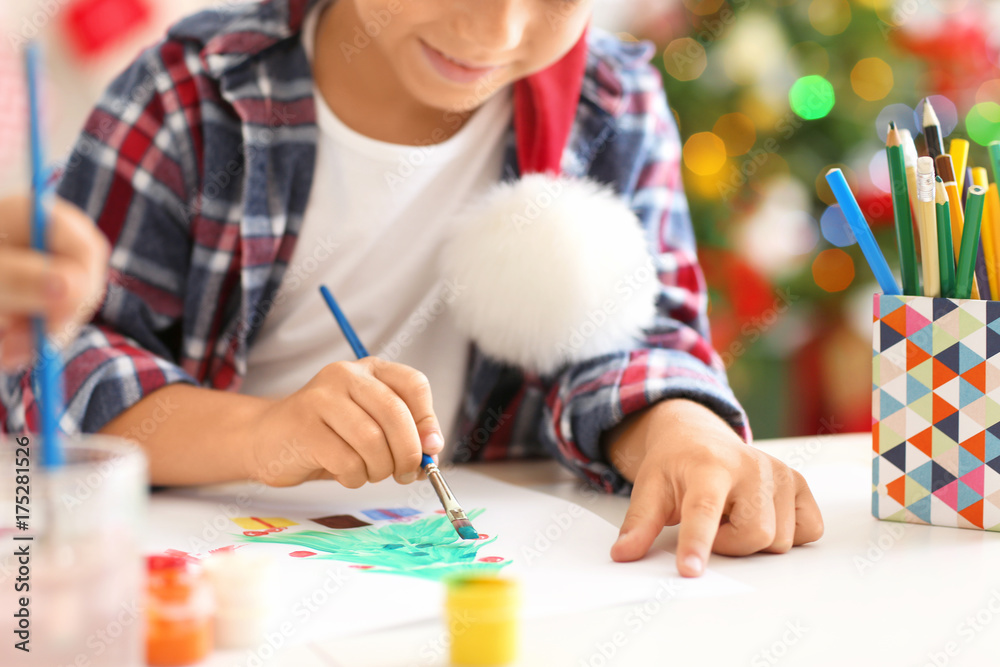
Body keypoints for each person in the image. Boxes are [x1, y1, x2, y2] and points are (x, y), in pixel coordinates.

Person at [0, 0, 823, 577]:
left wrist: (683, 432)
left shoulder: (610, 103)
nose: (495, 30)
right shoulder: (189, 95)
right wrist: (268, 434)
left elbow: (637, 345)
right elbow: (47, 363)